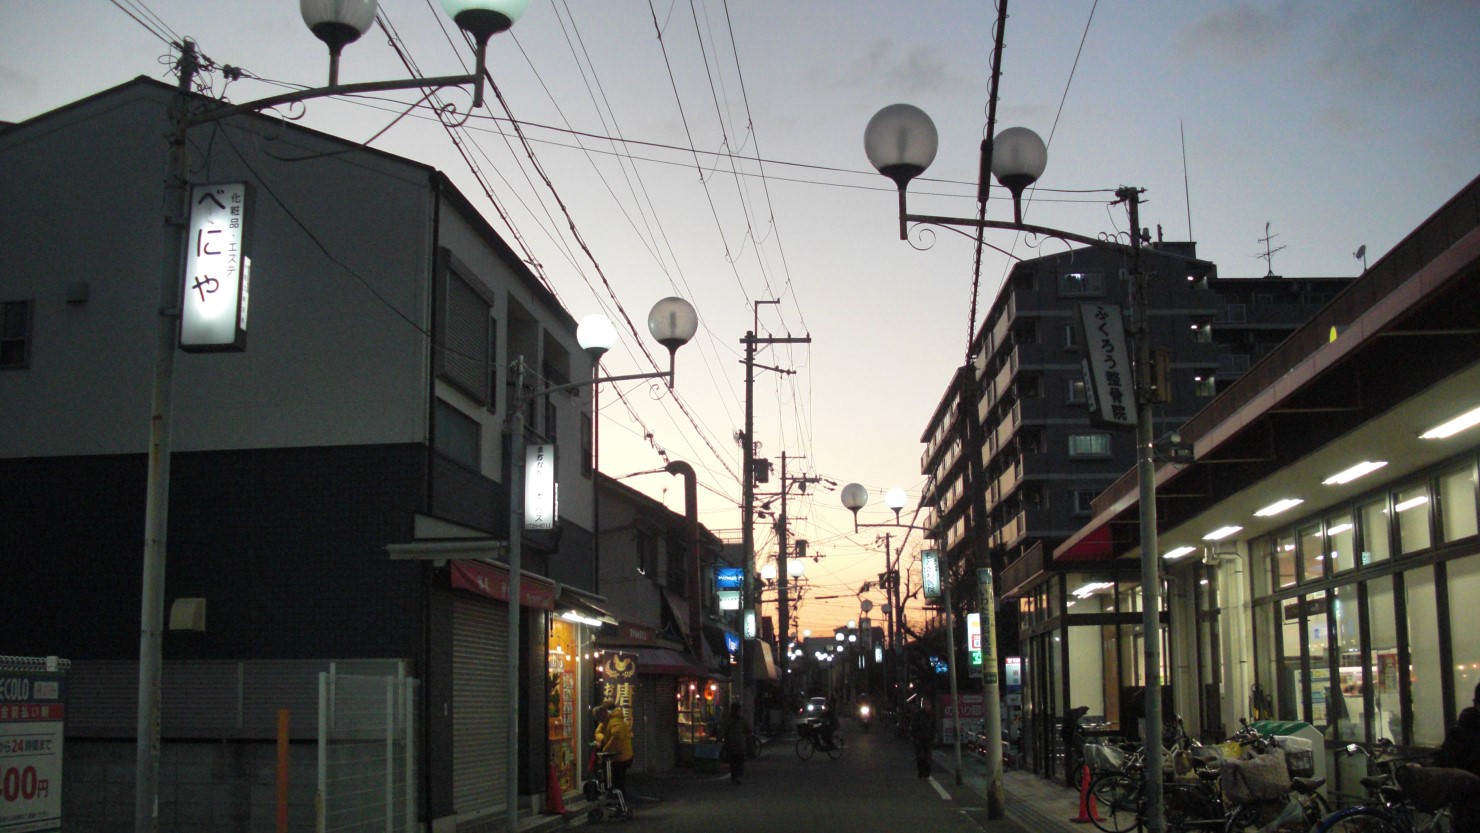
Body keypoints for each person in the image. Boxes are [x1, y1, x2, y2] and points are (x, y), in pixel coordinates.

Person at [592, 702, 634, 798]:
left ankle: (619, 800)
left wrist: (604, 751)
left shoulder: (615, 722)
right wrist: (602, 739)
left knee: (618, 779)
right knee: (615, 778)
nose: (599, 721)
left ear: (603, 714)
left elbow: (616, 738)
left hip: (622, 756)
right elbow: (597, 732)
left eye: (599, 718)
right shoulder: (606, 721)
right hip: (616, 756)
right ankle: (617, 798)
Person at [719, 701, 752, 785]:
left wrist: (720, 738)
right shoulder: (742, 720)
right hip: (741, 744)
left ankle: (734, 776)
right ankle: (739, 776)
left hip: (731, 744)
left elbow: (723, 730)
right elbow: (748, 730)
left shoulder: (728, 720)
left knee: (733, 761)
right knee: (740, 761)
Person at [910, 699, 936, 779]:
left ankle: (926, 773)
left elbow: (934, 727)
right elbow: (913, 726)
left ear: (930, 706)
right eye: (924, 704)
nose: (926, 706)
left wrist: (933, 737)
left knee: (928, 757)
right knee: (920, 756)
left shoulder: (932, 715)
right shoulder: (918, 715)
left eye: (927, 704)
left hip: (929, 739)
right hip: (919, 739)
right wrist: (914, 736)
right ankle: (921, 772)